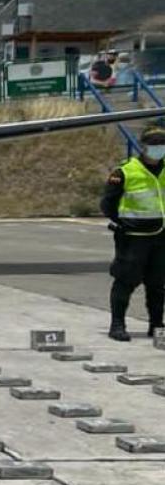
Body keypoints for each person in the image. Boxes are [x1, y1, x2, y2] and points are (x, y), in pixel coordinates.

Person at [100, 126, 165, 342]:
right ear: (144, 147)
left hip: (160, 236)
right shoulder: (125, 171)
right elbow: (108, 204)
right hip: (133, 238)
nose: (159, 149)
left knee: (157, 284)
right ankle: (117, 324)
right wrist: (124, 223)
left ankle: (157, 325)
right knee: (125, 280)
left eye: (162, 145)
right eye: (154, 145)